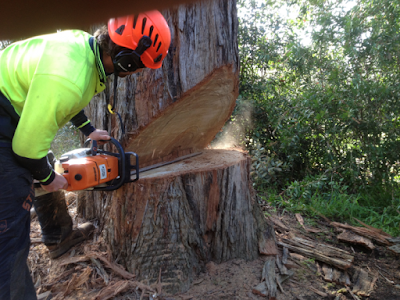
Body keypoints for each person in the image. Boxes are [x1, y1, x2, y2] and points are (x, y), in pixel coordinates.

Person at [0, 10, 171, 300]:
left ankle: (59, 236)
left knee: (46, 163)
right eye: (139, 66)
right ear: (127, 59)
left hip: (12, 108)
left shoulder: (82, 48)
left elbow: (65, 97)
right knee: (9, 233)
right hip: (5, 123)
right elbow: (26, 149)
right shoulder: (69, 79)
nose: (136, 73)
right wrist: (46, 178)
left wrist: (89, 129)